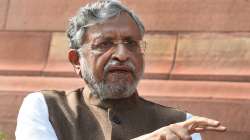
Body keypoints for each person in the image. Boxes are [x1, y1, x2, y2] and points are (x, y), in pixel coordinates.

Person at [15, 0, 226, 140]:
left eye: (131, 43)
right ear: (76, 59)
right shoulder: (46, 107)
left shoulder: (182, 123)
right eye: (105, 44)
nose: (122, 55)